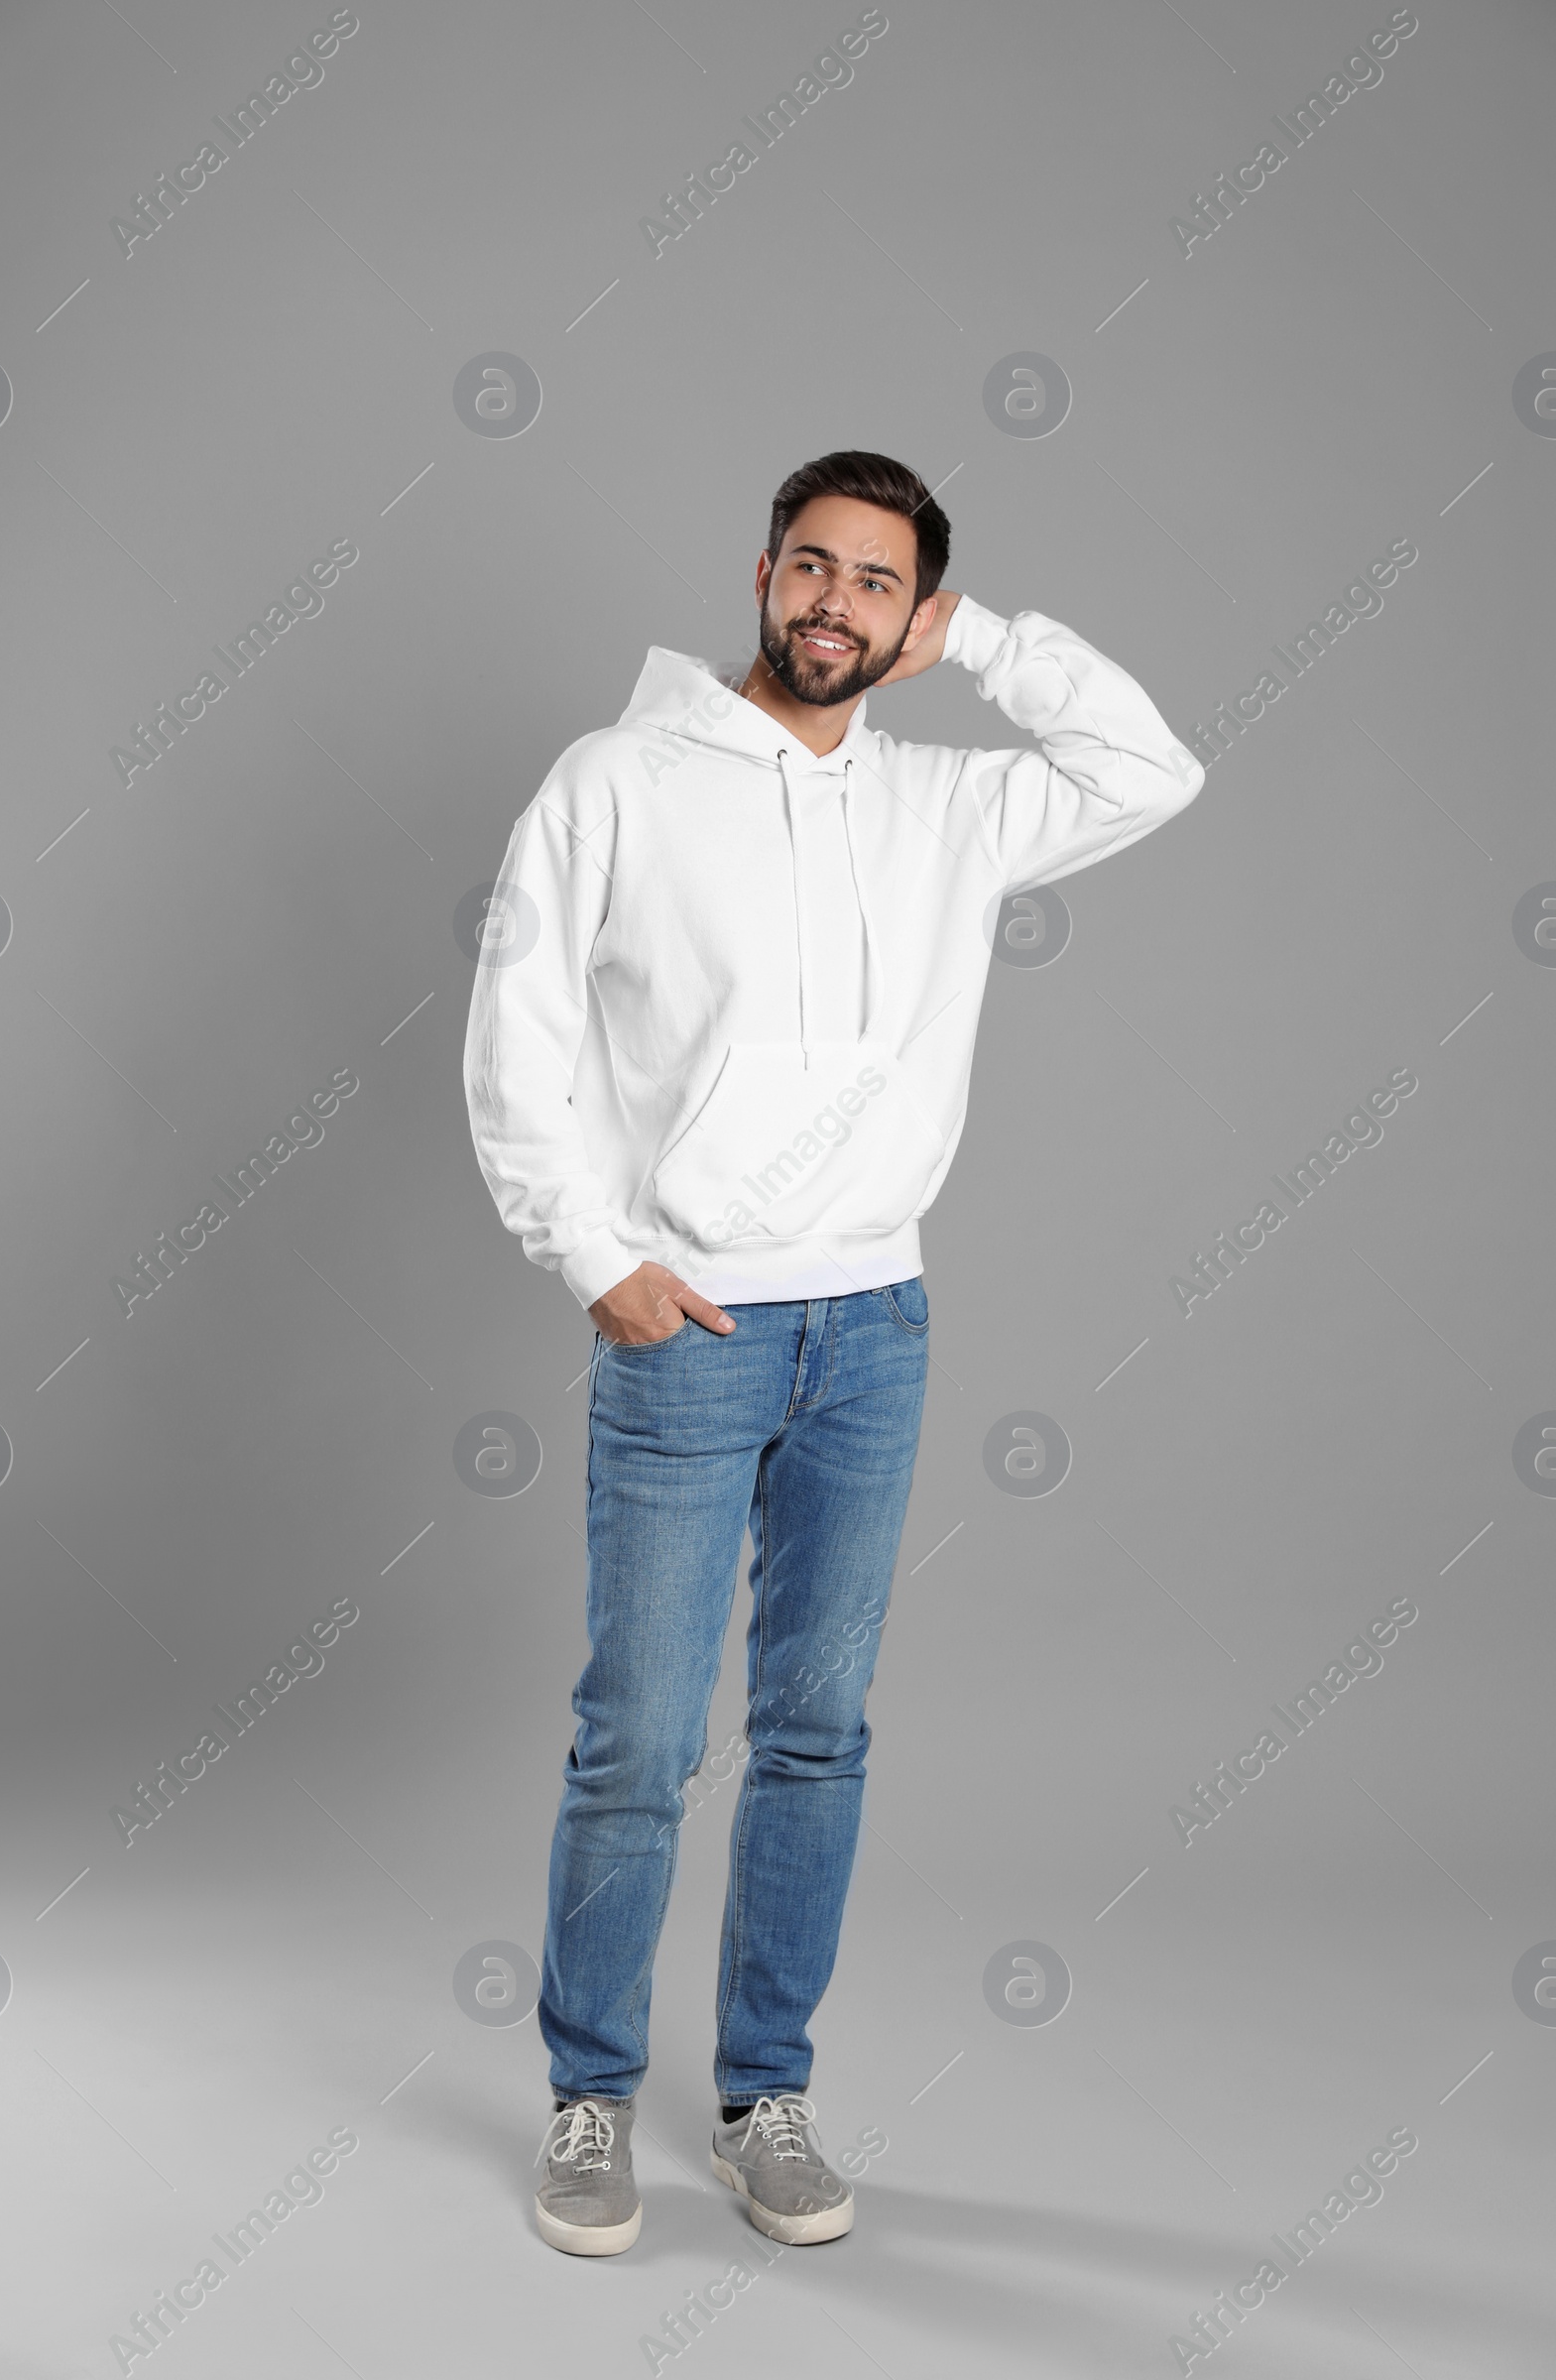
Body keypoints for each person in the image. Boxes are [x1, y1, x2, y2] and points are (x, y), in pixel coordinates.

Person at [462, 449, 1204, 2256]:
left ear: (911, 615)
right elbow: (519, 1027)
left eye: (878, 585)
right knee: (638, 1734)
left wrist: (999, 644)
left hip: (876, 1325)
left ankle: (763, 2095)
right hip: (691, 1321)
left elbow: (1153, 769)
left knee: (816, 1734)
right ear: (764, 571)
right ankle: (586, 2099)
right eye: (812, 567)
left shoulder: (945, 804)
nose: (833, 606)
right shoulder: (618, 780)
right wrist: (596, 1257)